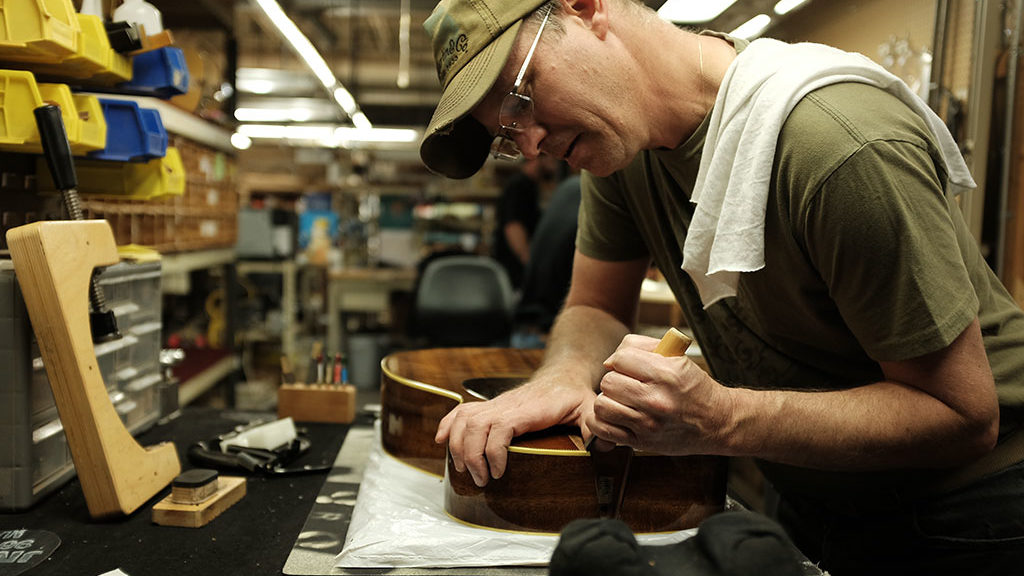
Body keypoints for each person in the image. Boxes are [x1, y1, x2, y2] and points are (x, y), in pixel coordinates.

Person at [418, 0, 1024, 574]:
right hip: (813, 491)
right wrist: (559, 378)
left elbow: (964, 415)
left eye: (520, 100)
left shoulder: (836, 145)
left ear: (585, 7)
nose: (529, 144)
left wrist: (721, 418)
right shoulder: (617, 145)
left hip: (968, 513)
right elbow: (596, 303)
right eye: (504, 134)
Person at [492, 156, 559, 288]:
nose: (554, 167)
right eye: (551, 160)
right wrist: (528, 261)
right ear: (536, 159)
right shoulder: (520, 185)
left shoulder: (530, 186)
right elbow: (513, 226)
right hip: (513, 269)